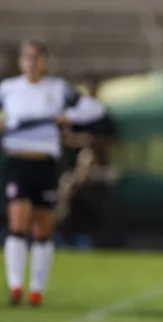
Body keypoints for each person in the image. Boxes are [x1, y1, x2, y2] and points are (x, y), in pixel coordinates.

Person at [1, 39, 106, 306]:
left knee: (43, 226)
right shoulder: (8, 89)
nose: (32, 63)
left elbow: (95, 109)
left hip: (45, 162)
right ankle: (15, 285)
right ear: (21, 62)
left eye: (37, 58)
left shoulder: (57, 89)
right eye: (27, 58)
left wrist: (67, 117)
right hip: (17, 161)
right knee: (17, 223)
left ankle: (36, 289)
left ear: (44, 61)